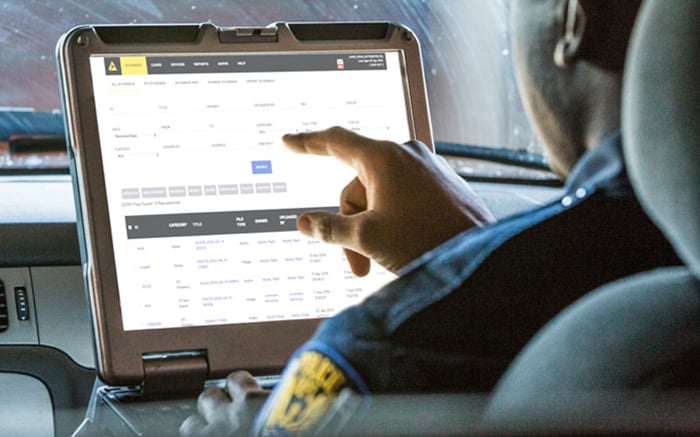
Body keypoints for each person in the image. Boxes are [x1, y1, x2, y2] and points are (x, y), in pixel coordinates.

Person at [181, 0, 681, 435]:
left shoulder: (381, 355)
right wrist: (477, 250)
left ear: (574, 21)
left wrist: (265, 430)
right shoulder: (669, 245)